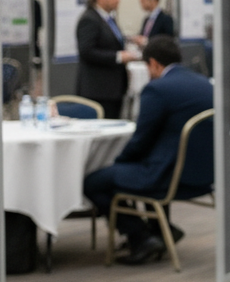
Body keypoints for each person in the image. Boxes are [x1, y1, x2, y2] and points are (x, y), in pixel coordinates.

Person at [82, 35, 213, 265]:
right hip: (203, 175)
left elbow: (140, 140)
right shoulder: (204, 83)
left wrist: (119, 162)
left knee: (94, 182)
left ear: (153, 63)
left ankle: (140, 237)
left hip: (167, 176)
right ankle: (160, 230)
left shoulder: (157, 89)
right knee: (128, 171)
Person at [75, 0, 138, 118]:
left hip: (114, 88)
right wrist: (119, 57)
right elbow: (86, 51)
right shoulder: (90, 19)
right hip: (98, 90)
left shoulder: (109, 19)